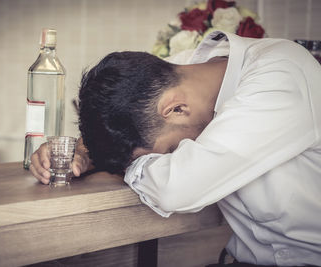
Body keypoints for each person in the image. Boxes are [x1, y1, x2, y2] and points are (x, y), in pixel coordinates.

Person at [29, 31, 321, 266]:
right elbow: (117, 113)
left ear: (177, 108)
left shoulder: (281, 72)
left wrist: (127, 164)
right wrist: (83, 149)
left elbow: (177, 188)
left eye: (166, 153)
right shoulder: (180, 69)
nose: (167, 160)